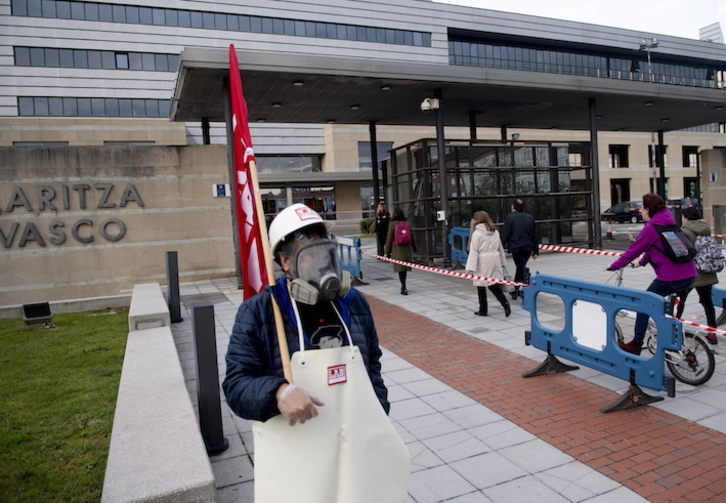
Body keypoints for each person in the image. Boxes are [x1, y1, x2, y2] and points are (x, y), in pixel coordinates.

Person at [223, 203, 409, 503]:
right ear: (285, 262)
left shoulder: (353, 303)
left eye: (327, 252)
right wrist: (277, 392)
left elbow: (371, 365)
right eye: (310, 255)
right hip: (299, 462)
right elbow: (235, 385)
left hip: (356, 452)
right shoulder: (260, 311)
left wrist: (378, 412)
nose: (323, 262)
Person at [607, 193, 696, 355]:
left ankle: (636, 343)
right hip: (689, 275)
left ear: (648, 209)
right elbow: (657, 247)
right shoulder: (669, 222)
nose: (640, 211)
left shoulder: (652, 227)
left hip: (671, 278)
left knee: (644, 304)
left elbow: (635, 249)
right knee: (664, 308)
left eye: (642, 208)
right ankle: (668, 337)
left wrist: (614, 266)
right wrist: (641, 263)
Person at [676, 207, 719, 344]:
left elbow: (680, 252)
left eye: (683, 216)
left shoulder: (685, 231)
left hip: (691, 273)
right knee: (707, 303)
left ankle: (673, 330)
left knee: (679, 301)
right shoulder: (705, 229)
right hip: (707, 271)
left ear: (686, 218)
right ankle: (712, 333)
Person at [465, 211, 511, 317]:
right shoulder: (494, 231)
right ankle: (504, 303)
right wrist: (503, 262)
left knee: (481, 285)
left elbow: (474, 251)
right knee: (493, 284)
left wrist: (469, 267)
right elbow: (500, 247)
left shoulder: (477, 234)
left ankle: (483, 309)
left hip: (483, 260)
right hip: (495, 259)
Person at [500, 198, 539, 299]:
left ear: (513, 207)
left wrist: (501, 248)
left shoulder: (510, 218)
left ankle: (521, 288)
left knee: (520, 267)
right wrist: (536, 251)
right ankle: (517, 288)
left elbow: (505, 234)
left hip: (516, 247)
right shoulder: (530, 218)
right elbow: (535, 235)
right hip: (528, 247)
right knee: (520, 267)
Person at [385, 207, 417, 295]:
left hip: (397, 250)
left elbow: (389, 238)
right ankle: (404, 286)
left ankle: (403, 287)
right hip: (407, 249)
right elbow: (412, 237)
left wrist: (386, 252)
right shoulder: (407, 223)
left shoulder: (392, 224)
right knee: (405, 269)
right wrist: (415, 248)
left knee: (400, 269)